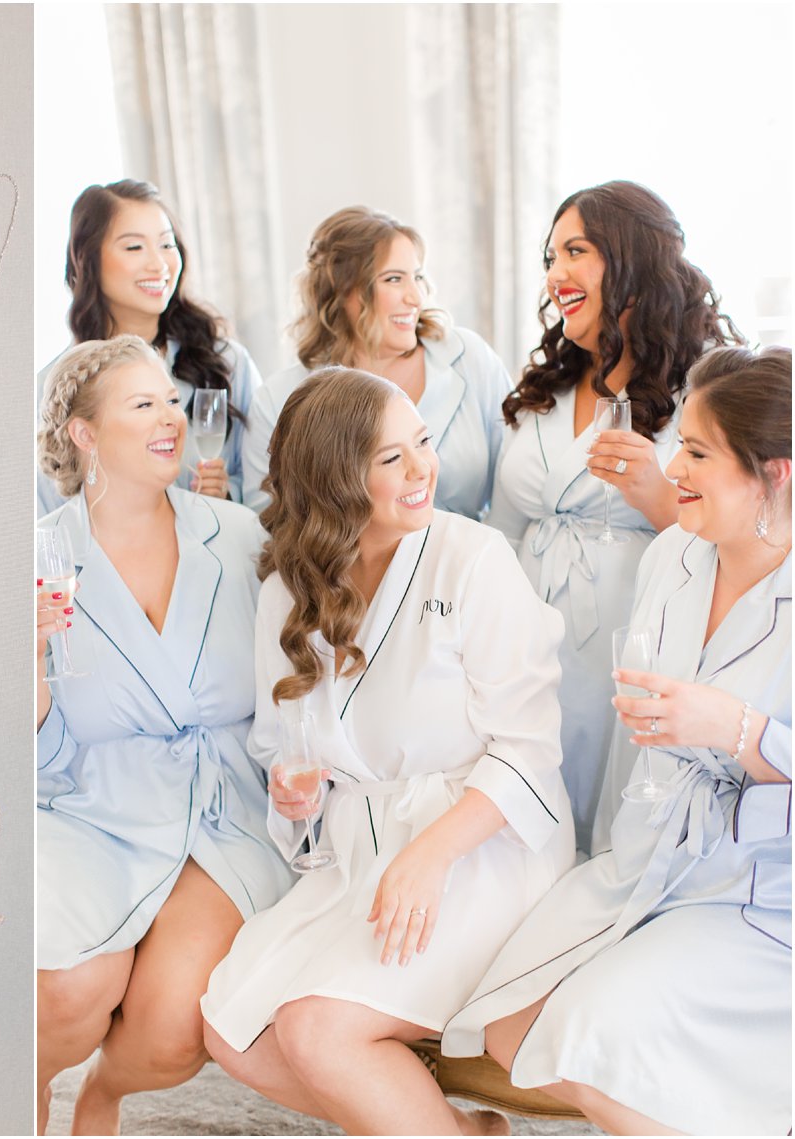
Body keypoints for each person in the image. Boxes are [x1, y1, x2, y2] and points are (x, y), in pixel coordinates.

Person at [201, 367, 574, 1135]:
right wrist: (293, 795)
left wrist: (431, 854)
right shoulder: (287, 591)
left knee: (316, 1029)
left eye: (423, 444)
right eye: (391, 459)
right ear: (336, 479)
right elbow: (283, 749)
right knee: (231, 1030)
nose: (422, 470)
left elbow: (531, 750)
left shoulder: (471, 559)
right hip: (361, 851)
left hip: (481, 842)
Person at [445, 345, 792, 1136]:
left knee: (591, 1034)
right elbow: (639, 720)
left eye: (698, 453)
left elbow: (724, 728)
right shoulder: (672, 554)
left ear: (774, 472)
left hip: (763, 887)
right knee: (505, 1028)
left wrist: (738, 730)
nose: (673, 470)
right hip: (650, 855)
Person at [35, 335, 291, 1135]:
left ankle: (104, 1093)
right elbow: (36, 753)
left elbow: (290, 680)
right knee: (64, 989)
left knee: (174, 1022)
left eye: (173, 402)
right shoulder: (40, 558)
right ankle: (22, 1102)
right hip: (89, 806)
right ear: (84, 433)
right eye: (143, 404)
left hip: (227, 809)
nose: (170, 420)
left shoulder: (239, 535)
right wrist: (24, 652)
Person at [485, 180, 744, 851]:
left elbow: (742, 543)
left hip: (629, 636)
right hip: (527, 635)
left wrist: (658, 496)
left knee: (602, 835)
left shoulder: (702, 388)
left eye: (576, 250)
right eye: (550, 256)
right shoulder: (544, 389)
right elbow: (502, 530)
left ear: (631, 261)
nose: (555, 273)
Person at [240, 206, 510, 520]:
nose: (415, 297)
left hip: (467, 561)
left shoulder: (469, 358)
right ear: (343, 292)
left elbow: (510, 488)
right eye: (394, 279)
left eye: (417, 277)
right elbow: (268, 522)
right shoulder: (280, 398)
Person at [36, 179, 263, 514]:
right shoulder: (53, 387)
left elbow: (269, 491)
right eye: (133, 248)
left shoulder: (228, 363)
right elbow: (50, 518)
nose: (158, 264)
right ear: (88, 260)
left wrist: (225, 499)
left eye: (166, 245)